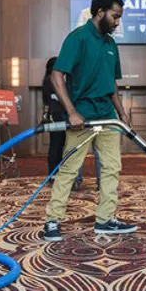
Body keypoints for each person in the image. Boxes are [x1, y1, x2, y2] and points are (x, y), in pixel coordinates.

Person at [44, 0, 137, 242]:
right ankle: (52, 220)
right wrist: (71, 112)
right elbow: (56, 76)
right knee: (70, 169)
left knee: (111, 168)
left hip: (107, 117)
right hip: (82, 117)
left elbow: (112, 84)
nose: (118, 22)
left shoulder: (110, 44)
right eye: (115, 17)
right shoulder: (78, 38)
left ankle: (105, 219)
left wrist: (122, 115)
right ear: (99, 13)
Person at [42, 57, 100, 191]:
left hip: (67, 116)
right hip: (58, 117)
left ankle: (66, 177)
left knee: (65, 146)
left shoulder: (62, 81)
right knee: (57, 146)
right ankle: (56, 175)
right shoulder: (51, 81)